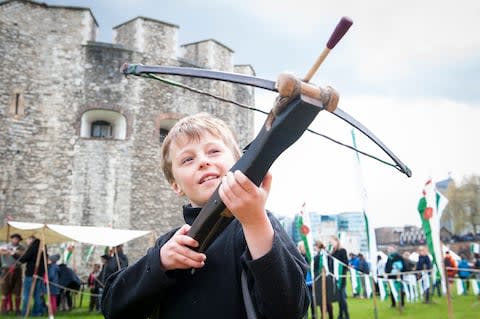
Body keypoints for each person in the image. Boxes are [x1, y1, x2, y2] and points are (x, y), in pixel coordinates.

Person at [101, 112, 309, 319]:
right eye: (188, 159)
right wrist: (160, 263)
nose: (202, 161)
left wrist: (255, 223)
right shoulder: (168, 246)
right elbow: (113, 307)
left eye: (214, 151)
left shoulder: (260, 225)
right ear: (176, 185)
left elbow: (289, 309)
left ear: (237, 162)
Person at [18, 235, 47, 317]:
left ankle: (25, 313)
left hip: (32, 274)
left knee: (26, 294)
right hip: (39, 274)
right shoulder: (42, 246)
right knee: (37, 294)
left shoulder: (33, 246)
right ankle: (37, 312)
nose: (26, 242)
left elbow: (23, 259)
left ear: (31, 240)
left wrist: (15, 255)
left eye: (27, 240)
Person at [0, 233, 24, 315]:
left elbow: (22, 253)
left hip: (17, 269)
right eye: (14, 238)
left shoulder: (21, 247)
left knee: (18, 290)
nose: (15, 240)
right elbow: (1, 252)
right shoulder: (5, 245)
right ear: (11, 239)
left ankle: (17, 310)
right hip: (6, 269)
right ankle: (3, 310)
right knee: (5, 290)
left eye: (17, 239)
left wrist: (12, 251)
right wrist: (10, 251)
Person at [329, 236, 349, 319]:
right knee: (339, 298)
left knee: (342, 298)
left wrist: (341, 275)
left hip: (341, 277)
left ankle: (346, 315)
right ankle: (341, 314)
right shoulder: (332, 252)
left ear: (337, 241)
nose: (331, 243)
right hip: (334, 278)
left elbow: (345, 264)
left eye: (332, 241)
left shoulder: (342, 251)